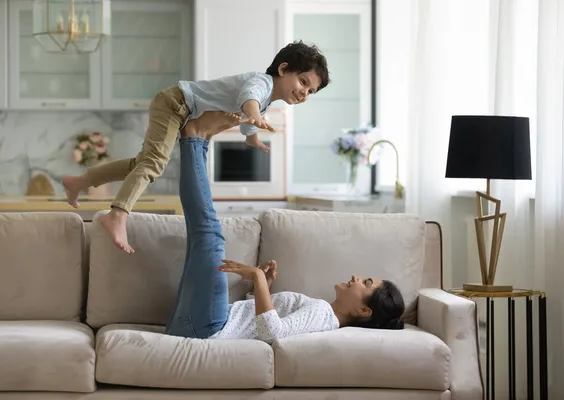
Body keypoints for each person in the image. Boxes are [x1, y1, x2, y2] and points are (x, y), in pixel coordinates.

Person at [62, 40, 330, 254]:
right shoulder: (261, 83)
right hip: (175, 103)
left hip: (180, 108)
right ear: (283, 70)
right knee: (153, 164)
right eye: (303, 82)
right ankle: (117, 215)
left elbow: (251, 117)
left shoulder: (266, 100)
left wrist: (251, 137)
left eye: (311, 92)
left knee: (141, 163)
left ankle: (80, 181)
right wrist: (255, 116)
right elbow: (249, 100)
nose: (304, 93)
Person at [165, 112, 405, 343]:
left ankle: (195, 137)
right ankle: (198, 139)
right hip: (196, 325)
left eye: (367, 283)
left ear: (364, 310)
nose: (357, 277)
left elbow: (271, 334)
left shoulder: (323, 314)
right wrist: (263, 288)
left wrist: (257, 277)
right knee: (202, 234)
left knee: (208, 233)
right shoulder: (323, 317)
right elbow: (258, 325)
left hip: (212, 326)